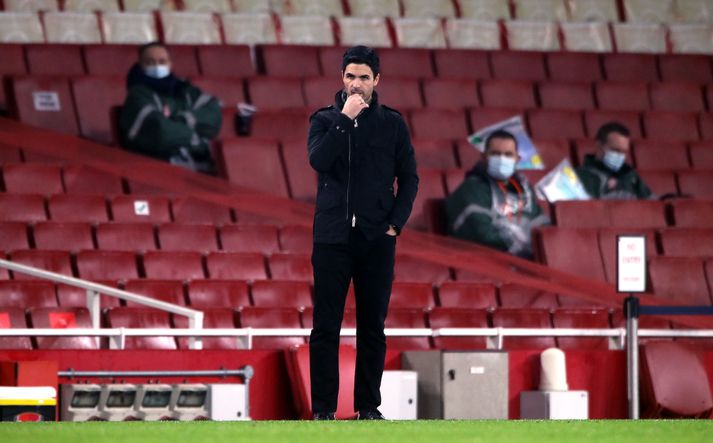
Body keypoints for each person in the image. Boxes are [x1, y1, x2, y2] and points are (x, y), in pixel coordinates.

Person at [307, 46, 419, 420]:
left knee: (373, 327)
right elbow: (319, 161)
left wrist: (394, 226)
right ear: (342, 78)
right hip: (331, 238)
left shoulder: (392, 123)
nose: (356, 84)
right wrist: (343, 119)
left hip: (376, 240)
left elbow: (410, 179)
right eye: (350, 76)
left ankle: (367, 407)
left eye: (364, 78)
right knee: (326, 326)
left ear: (377, 81)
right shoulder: (324, 120)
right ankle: (322, 410)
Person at [119, 42, 221, 174]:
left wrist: (179, 118)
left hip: (201, 170)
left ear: (170, 64)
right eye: (150, 62)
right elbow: (161, 133)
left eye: (162, 61)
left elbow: (213, 117)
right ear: (141, 65)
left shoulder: (185, 89)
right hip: (159, 172)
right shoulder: (137, 95)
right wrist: (197, 141)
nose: (157, 66)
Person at [445, 130, 548, 259]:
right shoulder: (471, 190)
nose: (502, 159)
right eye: (495, 154)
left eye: (508, 154)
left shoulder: (524, 190)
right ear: (484, 157)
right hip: (485, 265)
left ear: (518, 159)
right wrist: (523, 242)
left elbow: (542, 228)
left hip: (525, 264)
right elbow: (481, 235)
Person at [576, 122, 653, 199]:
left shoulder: (631, 177)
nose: (620, 156)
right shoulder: (580, 177)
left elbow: (653, 205)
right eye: (615, 150)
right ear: (598, 146)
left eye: (624, 152)